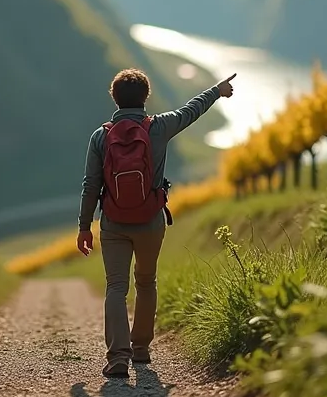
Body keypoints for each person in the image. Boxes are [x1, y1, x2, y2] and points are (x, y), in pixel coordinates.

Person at [77, 68, 236, 378]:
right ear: (146, 97)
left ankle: (118, 357)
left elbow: (90, 184)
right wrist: (216, 90)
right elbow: (192, 110)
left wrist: (84, 226)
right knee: (146, 282)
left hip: (113, 223)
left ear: (115, 97)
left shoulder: (101, 136)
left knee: (116, 287)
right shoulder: (159, 127)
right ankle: (141, 349)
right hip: (150, 220)